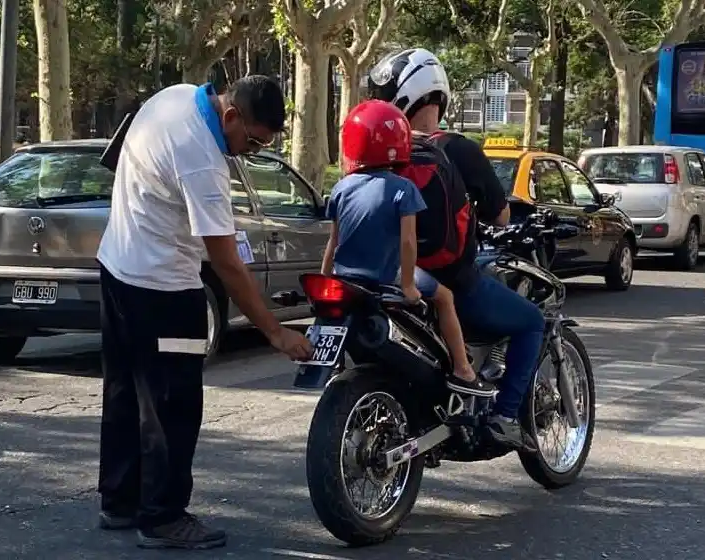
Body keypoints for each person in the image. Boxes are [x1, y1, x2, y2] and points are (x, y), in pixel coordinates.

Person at [95, 75, 313, 550]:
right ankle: (163, 517)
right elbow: (228, 264)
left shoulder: (172, 97)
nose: (245, 154)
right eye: (251, 142)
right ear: (231, 114)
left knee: (124, 392)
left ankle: (120, 500)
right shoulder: (203, 162)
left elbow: (117, 160)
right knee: (173, 405)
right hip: (164, 292)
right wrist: (276, 333)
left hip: (116, 267)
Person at [367, 48, 546, 449]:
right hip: (449, 281)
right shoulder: (459, 148)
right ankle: (503, 416)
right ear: (436, 94)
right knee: (532, 321)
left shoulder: (377, 148)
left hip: (385, 275)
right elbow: (500, 217)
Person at [321, 100, 487, 395]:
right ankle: (463, 369)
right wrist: (409, 285)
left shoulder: (341, 188)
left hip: (345, 279)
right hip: (386, 276)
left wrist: (325, 280)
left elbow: (333, 242)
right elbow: (408, 242)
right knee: (445, 297)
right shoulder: (403, 188)